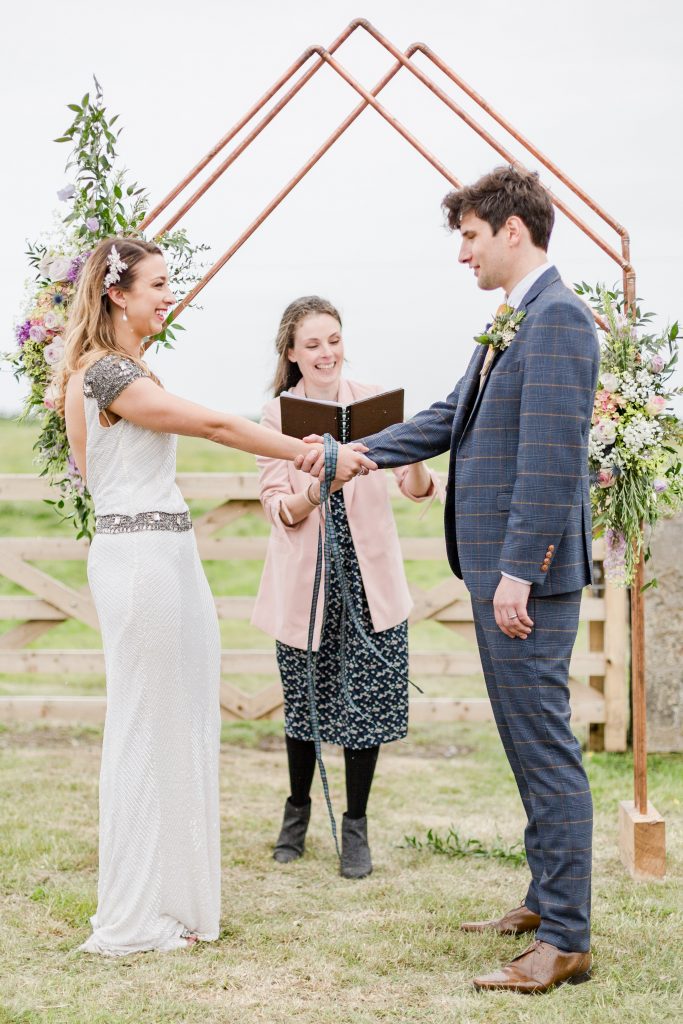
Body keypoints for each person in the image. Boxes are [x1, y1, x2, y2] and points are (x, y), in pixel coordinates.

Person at [297, 167, 599, 992]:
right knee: (522, 742)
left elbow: (548, 461)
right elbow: (444, 418)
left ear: (511, 229)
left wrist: (516, 573)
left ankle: (566, 939)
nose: (461, 253)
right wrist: (345, 453)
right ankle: (546, 899)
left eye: (468, 235)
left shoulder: (560, 319)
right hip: (502, 573)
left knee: (544, 747)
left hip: (522, 578)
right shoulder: (512, 319)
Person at [58, 238, 374, 956]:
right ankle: (134, 914)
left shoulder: (116, 370)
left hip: (163, 550)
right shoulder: (107, 375)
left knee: (179, 721)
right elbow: (210, 424)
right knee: (146, 725)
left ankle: (176, 899)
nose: (170, 295)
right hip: (141, 558)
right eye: (159, 284)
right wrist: (310, 451)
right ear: (117, 293)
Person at [251, 296, 441, 878]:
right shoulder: (275, 419)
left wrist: (409, 454)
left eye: (333, 339)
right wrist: (320, 485)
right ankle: (298, 809)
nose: (326, 352)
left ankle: (355, 825)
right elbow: (278, 510)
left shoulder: (375, 404)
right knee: (307, 699)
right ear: (291, 353)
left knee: (368, 701)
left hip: (369, 580)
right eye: (312, 344)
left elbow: (418, 489)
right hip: (306, 584)